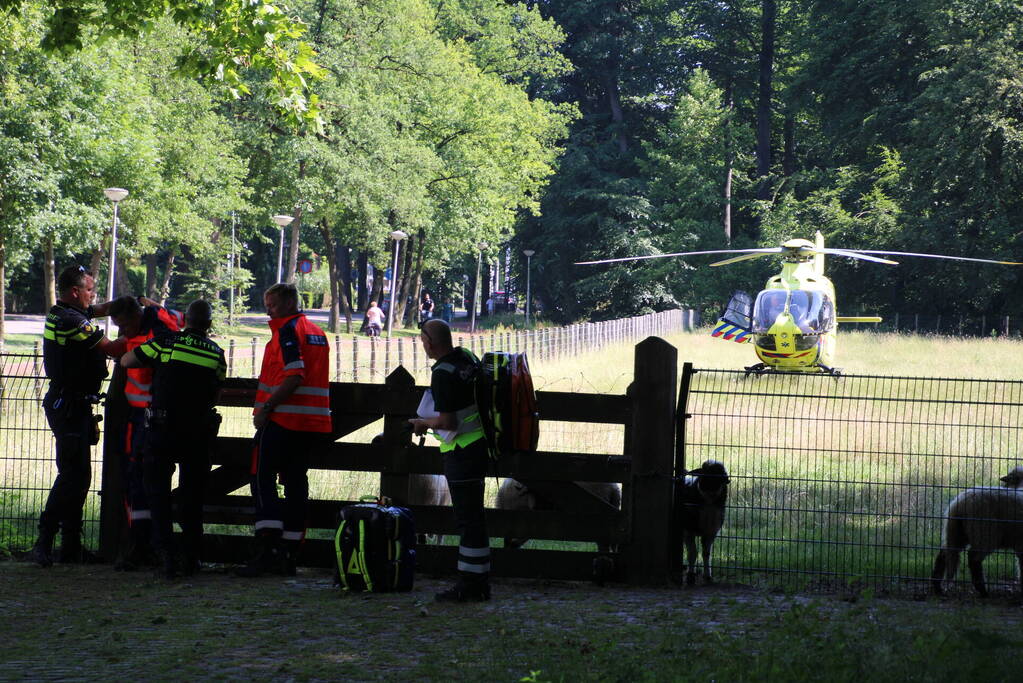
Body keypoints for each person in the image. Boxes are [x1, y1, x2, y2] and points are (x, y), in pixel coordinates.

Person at [120, 300, 225, 578]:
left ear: (186, 320)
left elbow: (127, 360)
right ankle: (192, 557)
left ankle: (166, 554)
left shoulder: (166, 342)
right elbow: (216, 392)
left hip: (163, 428)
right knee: (192, 495)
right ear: (209, 325)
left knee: (158, 492)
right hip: (198, 431)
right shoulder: (217, 353)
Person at [31, 265, 126, 567]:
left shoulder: (65, 312)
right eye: (89, 290)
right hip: (68, 406)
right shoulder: (72, 320)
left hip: (75, 404)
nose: (93, 296)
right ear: (75, 292)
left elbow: (103, 308)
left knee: (79, 476)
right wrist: (142, 340)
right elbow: (110, 347)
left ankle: (71, 544)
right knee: (72, 475)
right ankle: (44, 540)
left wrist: (134, 304)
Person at [237, 283, 332, 577]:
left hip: (281, 420)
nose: (268, 310)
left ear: (290, 303)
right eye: (267, 304)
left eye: (273, 304)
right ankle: (290, 552)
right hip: (310, 424)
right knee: (295, 485)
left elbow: (294, 376)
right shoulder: (317, 332)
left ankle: (268, 550)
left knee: (261, 478)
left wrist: (266, 409)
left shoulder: (288, 332)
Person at [409, 319, 491, 602]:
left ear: (429, 342)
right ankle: (479, 582)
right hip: (480, 444)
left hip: (461, 451)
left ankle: (470, 586)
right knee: (475, 519)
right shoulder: (466, 358)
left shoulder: (442, 373)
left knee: (467, 521)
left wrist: (422, 423)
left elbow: (448, 420)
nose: (422, 344)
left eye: (422, 339)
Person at [108, 295, 184, 569]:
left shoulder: (159, 331)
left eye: (124, 325)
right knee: (134, 479)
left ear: (136, 316)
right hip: (137, 416)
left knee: (150, 480)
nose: (122, 331)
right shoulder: (150, 323)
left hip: (152, 417)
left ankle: (155, 545)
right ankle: (141, 543)